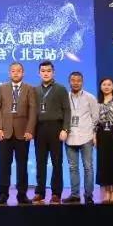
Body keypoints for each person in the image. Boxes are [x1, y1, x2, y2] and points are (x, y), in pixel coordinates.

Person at [0, 62, 36, 206]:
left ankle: (22, 194)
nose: (16, 73)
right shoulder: (2, 88)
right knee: (4, 165)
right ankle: (3, 194)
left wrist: (30, 130)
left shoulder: (29, 88)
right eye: (13, 71)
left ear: (23, 73)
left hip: (23, 133)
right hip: (4, 133)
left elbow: (33, 110)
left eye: (18, 71)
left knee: (22, 165)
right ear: (9, 73)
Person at [33, 60, 70, 205]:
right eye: (43, 71)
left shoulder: (60, 89)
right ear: (39, 73)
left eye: (48, 71)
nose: (46, 73)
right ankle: (40, 192)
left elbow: (67, 110)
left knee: (57, 162)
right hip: (39, 128)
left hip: (56, 127)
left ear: (53, 72)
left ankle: (56, 193)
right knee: (40, 162)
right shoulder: (35, 90)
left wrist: (65, 129)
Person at [64, 72, 100, 205]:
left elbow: (96, 117)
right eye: (73, 80)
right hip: (70, 137)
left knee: (88, 167)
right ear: (69, 82)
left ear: (82, 82)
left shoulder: (90, 97)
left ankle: (88, 195)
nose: (75, 83)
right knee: (73, 167)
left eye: (78, 80)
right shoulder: (65, 97)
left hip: (86, 136)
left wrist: (93, 133)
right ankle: (75, 195)